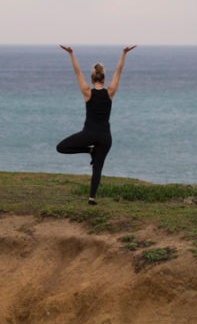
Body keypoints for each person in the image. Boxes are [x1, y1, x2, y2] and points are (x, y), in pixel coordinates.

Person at [56, 45, 137, 205]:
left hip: (89, 134)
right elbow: (118, 71)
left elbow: (77, 72)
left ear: (92, 79)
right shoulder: (110, 92)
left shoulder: (87, 92)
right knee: (98, 168)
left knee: (61, 147)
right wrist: (124, 53)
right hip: (106, 137)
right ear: (104, 79)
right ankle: (92, 198)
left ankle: (89, 150)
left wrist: (71, 54)